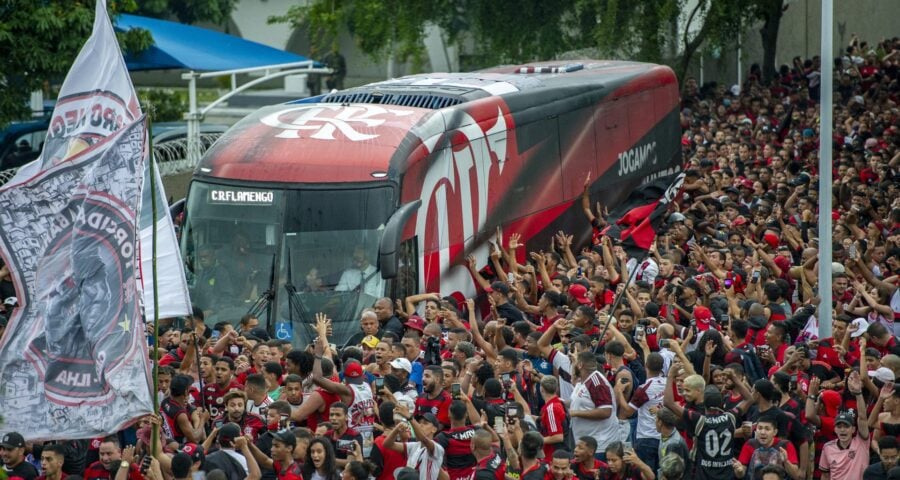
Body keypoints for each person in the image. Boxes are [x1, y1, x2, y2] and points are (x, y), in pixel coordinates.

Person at [819, 372, 870, 480]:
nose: (842, 430)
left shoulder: (861, 442)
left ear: (853, 429)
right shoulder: (828, 448)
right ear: (835, 429)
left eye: (846, 426)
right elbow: (825, 475)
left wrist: (858, 393)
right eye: (839, 426)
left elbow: (862, 417)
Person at [569, 350, 618, 460]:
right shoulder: (584, 381)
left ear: (580, 365)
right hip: (586, 444)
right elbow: (577, 402)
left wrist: (575, 413)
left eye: (576, 363)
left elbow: (606, 411)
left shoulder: (596, 382)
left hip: (600, 445)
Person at [382, 403, 445, 480]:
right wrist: (397, 428)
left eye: (425, 423)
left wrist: (410, 417)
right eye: (419, 422)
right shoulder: (414, 446)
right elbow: (387, 444)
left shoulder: (437, 448)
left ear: (434, 429)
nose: (421, 425)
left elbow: (424, 439)